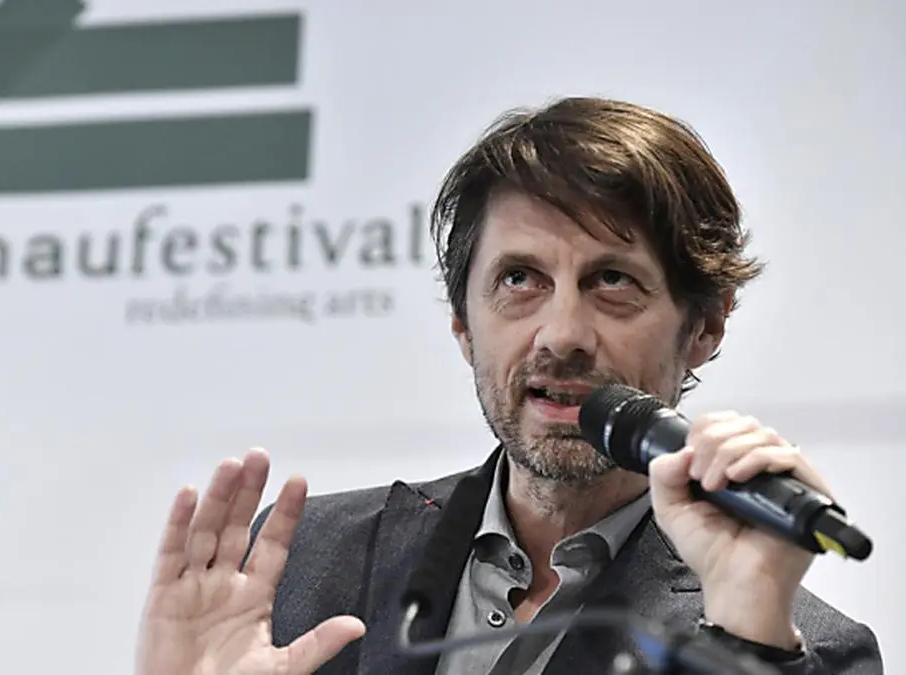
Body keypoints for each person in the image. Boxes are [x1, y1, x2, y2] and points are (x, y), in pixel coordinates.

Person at [132, 97, 884, 675]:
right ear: (464, 325)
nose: (561, 334)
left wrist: (751, 634)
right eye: (520, 279)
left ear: (705, 326)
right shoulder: (306, 558)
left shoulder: (804, 646)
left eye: (612, 281)